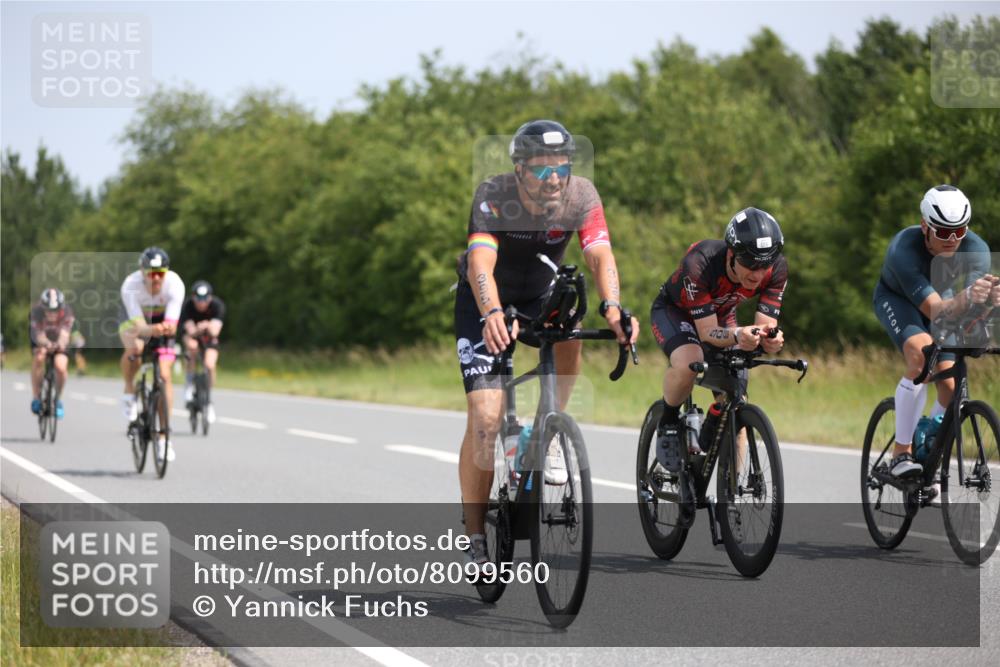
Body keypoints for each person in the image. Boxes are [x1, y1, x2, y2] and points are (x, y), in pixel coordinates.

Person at [454, 119, 638, 570]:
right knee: (486, 420)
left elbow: (599, 253)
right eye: (541, 169)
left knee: (571, 326)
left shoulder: (581, 195)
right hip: (485, 299)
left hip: (539, 294)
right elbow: (481, 262)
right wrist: (492, 313)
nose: (553, 178)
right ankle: (475, 533)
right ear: (519, 170)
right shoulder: (494, 195)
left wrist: (614, 307)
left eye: (561, 167)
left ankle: (549, 430)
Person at [873, 185, 998, 490]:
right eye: (943, 232)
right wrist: (968, 297)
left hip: (946, 300)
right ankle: (901, 453)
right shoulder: (903, 249)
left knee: (950, 387)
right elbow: (937, 311)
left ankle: (928, 441)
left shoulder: (976, 249)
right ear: (924, 226)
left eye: (959, 231)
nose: (952, 239)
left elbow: (970, 312)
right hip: (900, 300)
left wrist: (989, 305)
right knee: (921, 356)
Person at [650, 207, 787, 473]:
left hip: (721, 316)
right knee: (690, 361)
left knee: (736, 401)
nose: (757, 274)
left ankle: (730, 490)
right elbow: (707, 333)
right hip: (676, 313)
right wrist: (737, 335)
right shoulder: (699, 263)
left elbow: (765, 325)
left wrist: (769, 338)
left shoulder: (777, 269)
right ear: (731, 254)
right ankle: (668, 422)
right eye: (750, 264)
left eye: (764, 265)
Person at [119, 247, 185, 462]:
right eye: (151, 273)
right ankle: (129, 390)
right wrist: (151, 330)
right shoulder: (130, 285)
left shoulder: (175, 284)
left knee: (164, 376)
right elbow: (140, 327)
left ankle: (164, 438)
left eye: (160, 273)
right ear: (142, 272)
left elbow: (172, 325)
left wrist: (163, 329)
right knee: (135, 349)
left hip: (161, 321)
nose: (156, 278)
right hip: (135, 320)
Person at [179, 280, 226, 423]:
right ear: (193, 297)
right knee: (192, 348)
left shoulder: (217, 305)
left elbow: (215, 332)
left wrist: (207, 326)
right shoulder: (187, 306)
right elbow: (190, 331)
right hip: (193, 335)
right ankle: (188, 384)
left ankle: (208, 399)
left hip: (209, 337)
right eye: (198, 298)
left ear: (210, 298)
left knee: (210, 365)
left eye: (205, 298)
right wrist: (201, 327)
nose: (201, 302)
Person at [29, 288, 75, 419]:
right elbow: (38, 335)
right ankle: (36, 397)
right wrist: (46, 344)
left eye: (55, 310)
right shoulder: (36, 312)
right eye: (48, 310)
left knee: (61, 367)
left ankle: (58, 400)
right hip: (40, 338)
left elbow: (65, 335)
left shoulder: (67, 312)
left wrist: (58, 345)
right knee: (39, 358)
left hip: (59, 339)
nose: (52, 314)